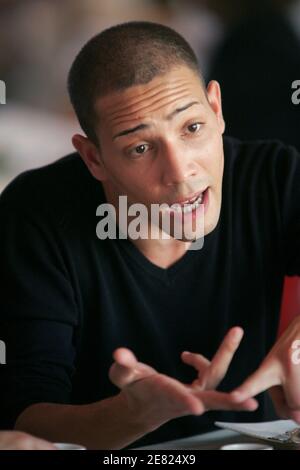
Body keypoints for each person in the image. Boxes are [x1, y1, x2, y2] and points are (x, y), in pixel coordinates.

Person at [0, 21, 299, 450]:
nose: (180, 174)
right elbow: (24, 418)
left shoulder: (271, 176)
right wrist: (134, 415)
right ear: (94, 158)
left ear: (215, 109)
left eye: (192, 128)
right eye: (141, 148)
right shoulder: (36, 216)